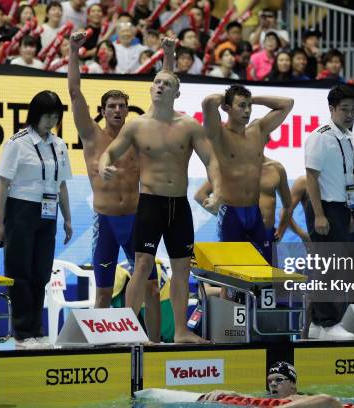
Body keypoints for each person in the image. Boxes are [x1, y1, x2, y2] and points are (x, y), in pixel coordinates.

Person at [99, 38, 220, 344]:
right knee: (141, 266)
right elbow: (109, 153)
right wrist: (104, 165)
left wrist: (216, 190)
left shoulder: (190, 125)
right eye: (155, 82)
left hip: (179, 206)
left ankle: (180, 331)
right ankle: (127, 330)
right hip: (150, 204)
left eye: (166, 83)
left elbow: (211, 161)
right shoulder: (137, 126)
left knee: (182, 270)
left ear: (176, 92)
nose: (159, 86)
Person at [68, 30, 161, 341]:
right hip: (106, 221)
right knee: (104, 292)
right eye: (112, 106)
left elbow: (163, 99)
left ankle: (156, 343)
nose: (118, 110)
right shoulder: (92, 136)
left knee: (150, 286)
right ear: (103, 110)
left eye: (122, 105)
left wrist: (168, 58)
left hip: (137, 219)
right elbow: (74, 92)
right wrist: (73, 50)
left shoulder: (137, 136)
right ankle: (103, 345)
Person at [0, 90, 73, 350]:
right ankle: (23, 333)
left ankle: (37, 330)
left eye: (56, 116)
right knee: (20, 272)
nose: (51, 121)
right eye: (47, 116)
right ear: (35, 115)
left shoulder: (59, 145)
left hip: (49, 213)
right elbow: (3, 184)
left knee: (41, 273)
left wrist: (68, 220)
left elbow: (62, 186)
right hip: (20, 210)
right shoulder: (18, 142)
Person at [200, 85, 293, 263]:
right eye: (242, 106)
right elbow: (209, 101)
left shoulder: (258, 129)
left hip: (254, 213)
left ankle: (261, 292)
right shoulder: (218, 134)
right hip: (231, 214)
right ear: (226, 108)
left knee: (266, 269)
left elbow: (287, 104)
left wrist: (252, 99)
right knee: (234, 272)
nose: (248, 110)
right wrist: (227, 98)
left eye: (249, 106)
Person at [304, 85, 354, 340]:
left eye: (353, 109)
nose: (349, 114)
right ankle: (328, 323)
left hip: (341, 207)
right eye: (344, 109)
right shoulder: (320, 136)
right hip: (324, 206)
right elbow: (311, 178)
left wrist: (349, 212)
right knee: (326, 268)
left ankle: (317, 325)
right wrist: (319, 215)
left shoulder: (349, 138)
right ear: (331, 109)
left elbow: (347, 179)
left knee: (337, 268)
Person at [195, 157, 293, 265]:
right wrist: (227, 217)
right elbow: (200, 195)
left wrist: (281, 230)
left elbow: (288, 205)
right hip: (234, 234)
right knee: (234, 277)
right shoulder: (228, 168)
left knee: (267, 278)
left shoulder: (276, 169)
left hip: (265, 235)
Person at [199, 361, 342, 407]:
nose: (272, 384)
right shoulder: (268, 399)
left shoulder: (301, 399)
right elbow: (256, 400)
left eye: (279, 380)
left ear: (293, 384)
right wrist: (234, 395)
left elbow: (329, 401)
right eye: (270, 381)